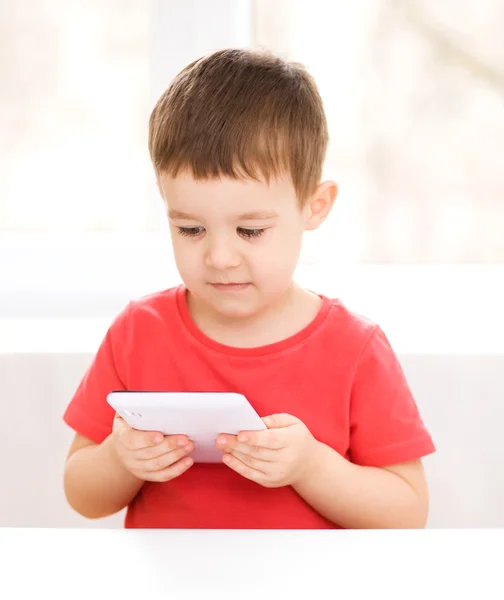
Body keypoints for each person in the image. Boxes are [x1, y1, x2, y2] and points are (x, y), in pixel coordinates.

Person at [63, 48, 435, 529]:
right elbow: (82, 495)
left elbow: (408, 512)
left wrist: (312, 467)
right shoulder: (139, 332)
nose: (219, 258)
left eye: (251, 231)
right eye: (191, 230)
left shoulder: (355, 348)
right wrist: (119, 459)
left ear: (314, 206)